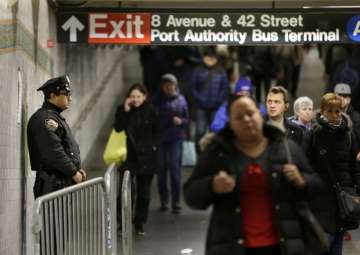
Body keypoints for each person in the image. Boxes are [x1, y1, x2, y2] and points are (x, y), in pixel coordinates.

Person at [184, 95, 321, 255]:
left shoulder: (285, 147)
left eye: (250, 113)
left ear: (260, 115)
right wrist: (212, 186)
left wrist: (301, 181)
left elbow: (317, 188)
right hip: (232, 246)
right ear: (230, 123)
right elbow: (191, 195)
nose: (247, 119)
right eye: (239, 117)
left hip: (282, 245)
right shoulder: (217, 152)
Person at [303, 93, 360, 255]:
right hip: (320, 197)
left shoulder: (348, 134)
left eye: (337, 111)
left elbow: (354, 165)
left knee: (337, 244)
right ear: (322, 111)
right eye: (330, 111)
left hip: (343, 199)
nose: (334, 115)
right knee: (324, 243)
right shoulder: (314, 134)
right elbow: (305, 165)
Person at [28, 75, 86, 199]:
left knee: (60, 219)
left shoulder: (54, 117)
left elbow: (66, 148)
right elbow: (54, 151)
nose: (70, 98)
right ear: (53, 96)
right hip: (52, 184)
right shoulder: (45, 119)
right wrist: (74, 172)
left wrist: (78, 168)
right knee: (54, 219)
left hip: (59, 183)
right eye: (66, 94)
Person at [114, 83, 160, 235]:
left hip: (147, 157)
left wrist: (154, 147)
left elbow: (158, 131)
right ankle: (122, 222)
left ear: (145, 97)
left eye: (138, 96)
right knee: (126, 191)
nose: (135, 99)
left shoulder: (151, 110)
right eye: (132, 96)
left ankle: (139, 223)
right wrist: (126, 111)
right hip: (129, 156)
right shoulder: (123, 110)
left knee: (144, 194)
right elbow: (118, 128)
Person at [152, 74, 189, 214]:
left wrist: (181, 122)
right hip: (161, 138)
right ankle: (164, 200)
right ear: (162, 87)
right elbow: (153, 120)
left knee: (175, 170)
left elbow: (186, 119)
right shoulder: (156, 101)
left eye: (171, 84)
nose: (168, 87)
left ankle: (176, 201)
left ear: (175, 85)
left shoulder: (181, 100)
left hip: (176, 138)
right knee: (161, 170)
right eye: (165, 85)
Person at [190, 49, 229, 149]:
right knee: (200, 131)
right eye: (207, 57)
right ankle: (199, 153)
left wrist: (218, 101)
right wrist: (199, 99)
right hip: (201, 107)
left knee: (216, 131)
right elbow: (193, 87)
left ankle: (215, 152)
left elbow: (225, 88)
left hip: (215, 107)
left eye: (212, 58)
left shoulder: (221, 72)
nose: (210, 60)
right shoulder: (198, 71)